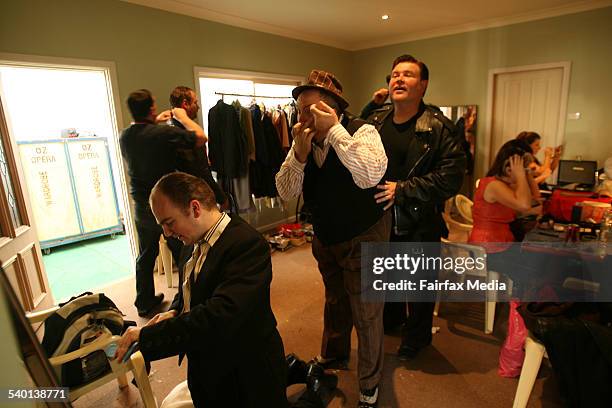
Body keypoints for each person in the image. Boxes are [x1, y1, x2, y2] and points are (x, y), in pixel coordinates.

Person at [115, 172, 336, 408]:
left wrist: (148, 337)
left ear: (195, 208)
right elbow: (190, 287)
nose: (167, 233)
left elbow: (220, 316)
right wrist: (175, 311)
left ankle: (315, 386)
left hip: (248, 369)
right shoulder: (191, 242)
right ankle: (293, 367)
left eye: (169, 223)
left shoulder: (247, 245)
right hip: (211, 364)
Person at [275, 70, 390, 408]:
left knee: (367, 311)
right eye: (299, 109)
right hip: (327, 235)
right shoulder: (303, 142)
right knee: (335, 300)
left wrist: (336, 131)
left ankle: (369, 385)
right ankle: (335, 355)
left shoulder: (362, 130)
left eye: (311, 108)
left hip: (365, 232)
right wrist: (298, 153)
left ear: (334, 108)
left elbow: (370, 175)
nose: (303, 117)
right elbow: (285, 192)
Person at [364, 55, 466, 360]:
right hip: (379, 218)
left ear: (422, 86)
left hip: (419, 220)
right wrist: (371, 105)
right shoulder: (377, 120)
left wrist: (404, 189)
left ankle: (417, 338)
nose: (398, 79)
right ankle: (392, 321)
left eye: (407, 75)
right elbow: (353, 137)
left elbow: (450, 179)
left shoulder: (439, 128)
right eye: (394, 74)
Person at [120, 89, 207, 317]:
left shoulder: (125, 136)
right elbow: (200, 137)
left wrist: (154, 120)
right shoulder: (161, 134)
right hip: (167, 207)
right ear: (151, 108)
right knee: (184, 252)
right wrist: (184, 118)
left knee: (145, 255)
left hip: (142, 208)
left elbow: (141, 130)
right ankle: (182, 299)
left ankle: (144, 301)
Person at [168, 86, 226, 206]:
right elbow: (200, 171)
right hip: (196, 198)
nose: (198, 107)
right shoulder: (185, 134)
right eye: (195, 102)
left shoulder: (169, 129)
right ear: (185, 104)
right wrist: (221, 197)